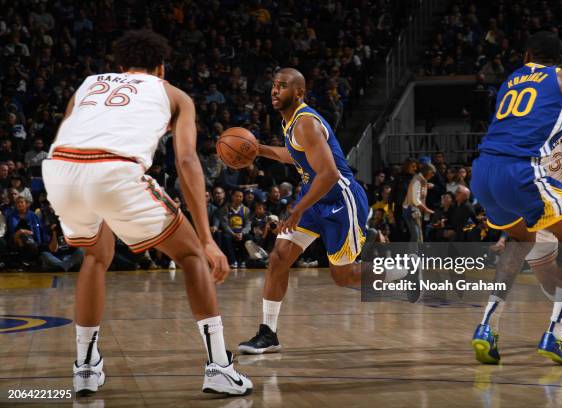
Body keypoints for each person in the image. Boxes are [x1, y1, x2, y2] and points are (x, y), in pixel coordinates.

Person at [41, 30, 251, 396]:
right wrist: (206, 238)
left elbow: (72, 133)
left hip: (59, 169)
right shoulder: (174, 94)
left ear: (121, 67)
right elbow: (186, 160)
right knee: (189, 254)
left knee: (95, 255)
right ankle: (219, 366)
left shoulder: (88, 84)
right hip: (114, 170)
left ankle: (86, 367)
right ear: (161, 68)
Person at [470, 31, 562, 365]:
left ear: (526, 55)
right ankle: (555, 334)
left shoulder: (513, 81)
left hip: (485, 171)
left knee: (519, 243)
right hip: (527, 178)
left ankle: (486, 327)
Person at [238, 68, 368, 354]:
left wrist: (296, 210)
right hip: (314, 198)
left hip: (340, 201)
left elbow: (330, 174)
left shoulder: (305, 123)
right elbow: (295, 154)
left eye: (282, 86)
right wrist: (259, 149)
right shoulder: (290, 123)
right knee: (278, 258)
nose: (275, 91)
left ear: (299, 93)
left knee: (343, 277)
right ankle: (268, 333)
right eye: (273, 85)